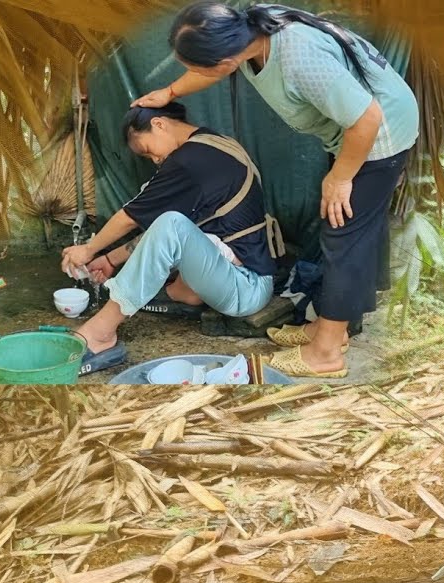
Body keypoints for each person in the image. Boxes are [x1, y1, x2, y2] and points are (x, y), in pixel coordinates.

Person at [133, 2, 419, 378]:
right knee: (348, 230)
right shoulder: (250, 29)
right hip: (356, 134)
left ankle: (326, 354)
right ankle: (331, 329)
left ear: (224, 60)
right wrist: (169, 92)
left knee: (344, 236)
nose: (191, 74)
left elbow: (367, 118)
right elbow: (211, 71)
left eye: (193, 67)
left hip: (378, 138)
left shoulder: (300, 59)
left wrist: (341, 177)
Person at [61, 103, 282, 376]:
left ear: (159, 124)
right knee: (171, 224)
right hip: (236, 276)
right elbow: (161, 232)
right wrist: (108, 259)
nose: (153, 160)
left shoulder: (189, 161)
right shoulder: (213, 144)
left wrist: (89, 249)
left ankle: (101, 334)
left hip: (246, 287)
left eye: (146, 150)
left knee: (171, 224)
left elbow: (133, 217)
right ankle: (185, 293)